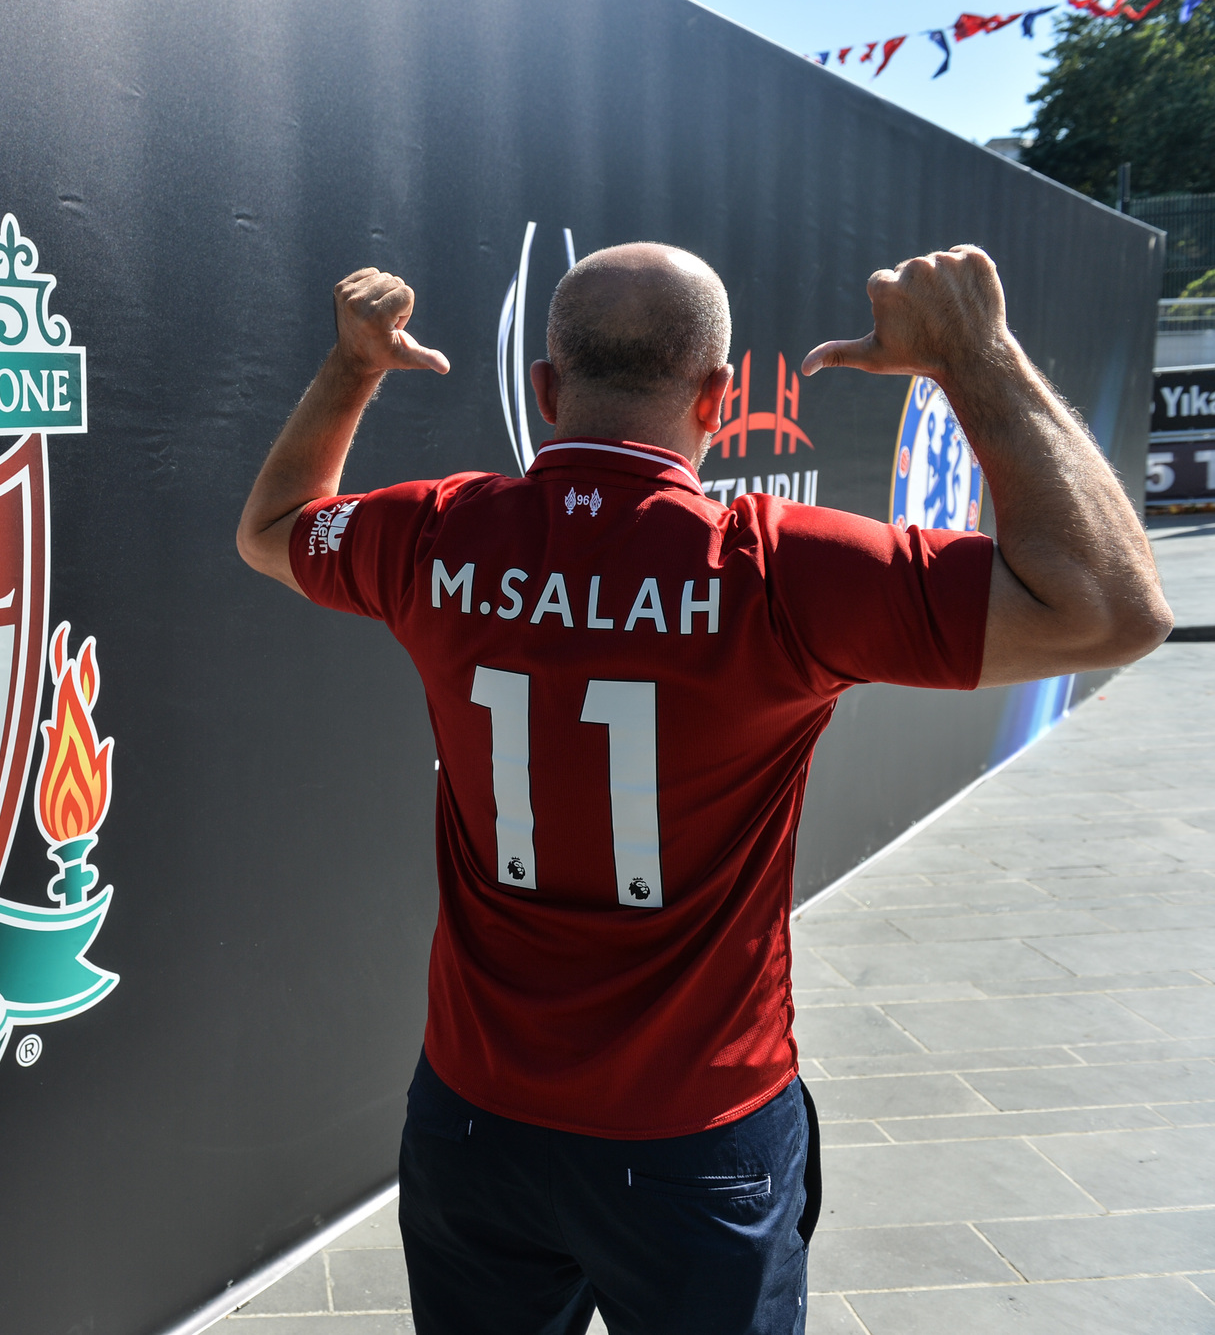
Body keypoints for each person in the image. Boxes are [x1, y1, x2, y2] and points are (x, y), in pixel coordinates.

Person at [235, 244, 1171, 1335]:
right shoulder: (778, 569)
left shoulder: (434, 532)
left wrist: (352, 367)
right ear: (720, 400)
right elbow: (1112, 610)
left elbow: (269, 531)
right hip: (693, 1137)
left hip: (473, 1122)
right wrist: (975, 355)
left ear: (544, 391)